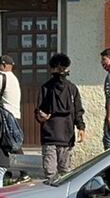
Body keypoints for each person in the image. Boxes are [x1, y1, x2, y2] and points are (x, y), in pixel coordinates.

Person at [36, 53, 86, 181]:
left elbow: (77, 110)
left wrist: (81, 127)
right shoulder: (66, 88)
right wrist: (80, 126)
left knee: (56, 174)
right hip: (59, 135)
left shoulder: (68, 88)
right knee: (62, 174)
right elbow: (39, 110)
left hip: (59, 136)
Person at [0, 55, 22, 121]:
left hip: (6, 114)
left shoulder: (2, 77)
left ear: (4, 66)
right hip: (15, 114)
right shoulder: (14, 78)